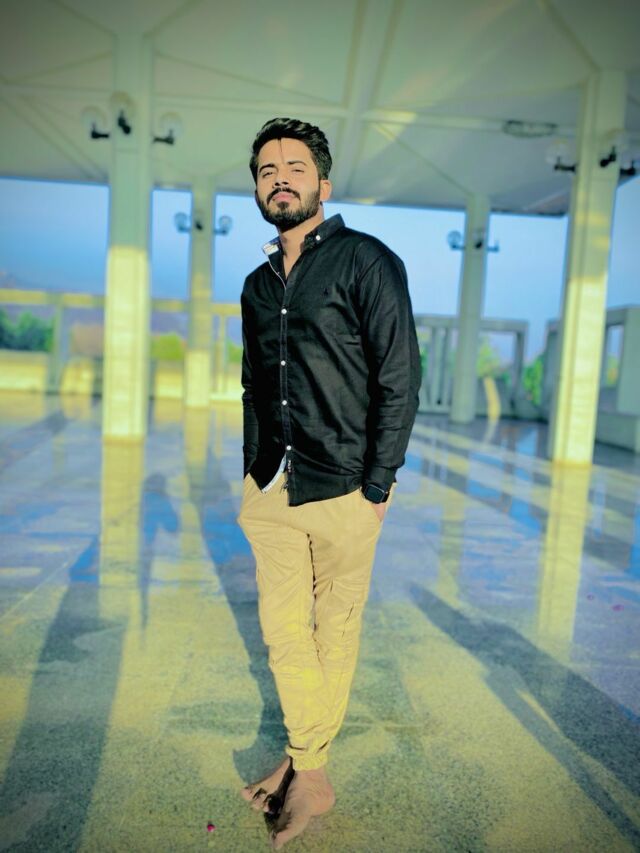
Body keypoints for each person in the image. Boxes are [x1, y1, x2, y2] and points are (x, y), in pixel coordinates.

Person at [237, 117, 421, 849]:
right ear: (258, 189)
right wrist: (251, 468)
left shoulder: (366, 261)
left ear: (323, 183)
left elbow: (399, 376)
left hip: (345, 483)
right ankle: (308, 767)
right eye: (267, 171)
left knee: (332, 629)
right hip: (272, 486)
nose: (280, 179)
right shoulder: (256, 286)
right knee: (283, 633)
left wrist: (379, 485)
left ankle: (305, 766)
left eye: (294, 168)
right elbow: (255, 385)